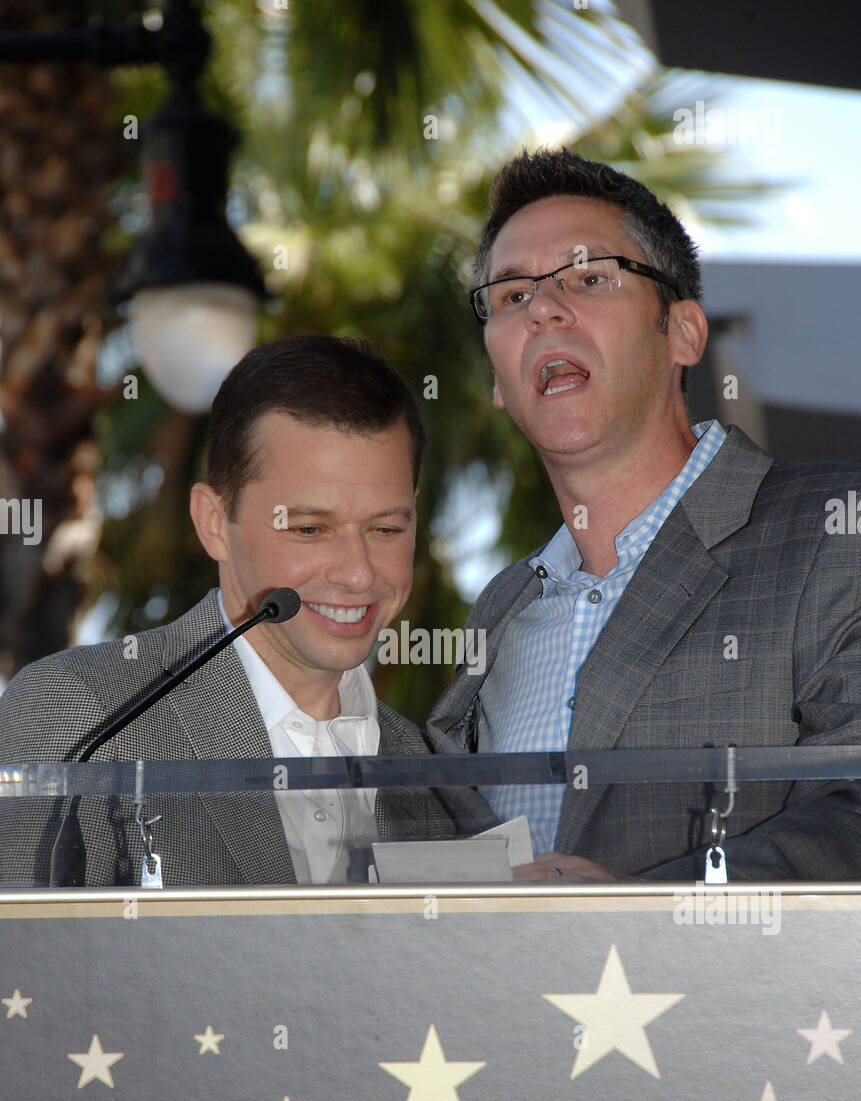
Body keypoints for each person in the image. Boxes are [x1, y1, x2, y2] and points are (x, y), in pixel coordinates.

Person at [427, 148, 861, 882]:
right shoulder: (501, 609)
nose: (541, 309)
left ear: (683, 333)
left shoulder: (833, 529)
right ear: (498, 380)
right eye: (509, 296)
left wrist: (644, 919)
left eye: (589, 278)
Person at [0, 335, 493, 887]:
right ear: (214, 523)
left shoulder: (433, 780)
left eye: (386, 528)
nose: (359, 573)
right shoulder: (77, 717)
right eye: (310, 529)